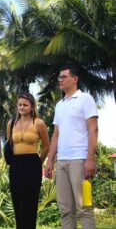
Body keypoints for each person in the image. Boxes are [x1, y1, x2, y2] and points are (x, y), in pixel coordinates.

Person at [45, 66, 98, 229]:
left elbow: (93, 129)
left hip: (80, 160)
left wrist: (90, 159)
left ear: (75, 79)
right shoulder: (59, 105)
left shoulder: (86, 99)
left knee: (84, 207)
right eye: (59, 77)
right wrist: (49, 161)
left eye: (64, 76)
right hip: (61, 162)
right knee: (65, 209)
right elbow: (55, 135)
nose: (60, 79)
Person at [6, 92, 50, 229]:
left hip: (32, 164)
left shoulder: (38, 123)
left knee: (30, 204)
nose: (22, 107)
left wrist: (38, 163)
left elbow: (47, 146)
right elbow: (10, 144)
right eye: (19, 104)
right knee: (18, 203)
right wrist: (12, 162)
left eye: (25, 105)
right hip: (16, 165)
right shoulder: (11, 123)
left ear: (32, 107)